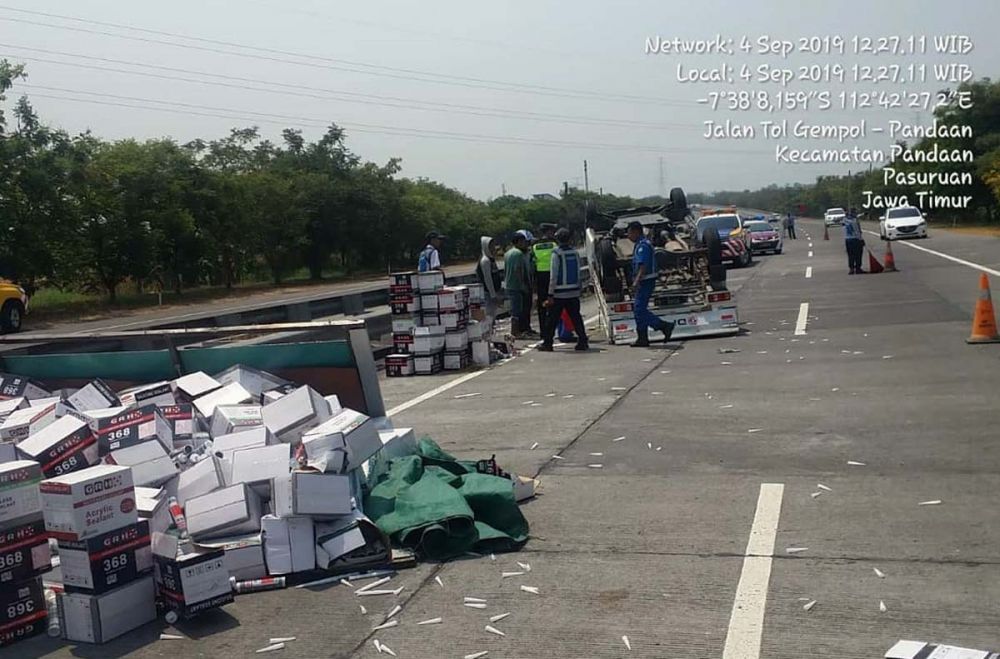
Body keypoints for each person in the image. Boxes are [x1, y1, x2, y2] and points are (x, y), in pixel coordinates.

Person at [539, 228, 588, 352]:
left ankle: (547, 343)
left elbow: (553, 276)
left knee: (552, 320)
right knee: (576, 318)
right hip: (573, 291)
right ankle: (583, 341)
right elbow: (578, 272)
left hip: (559, 293)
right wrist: (579, 288)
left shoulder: (556, 254)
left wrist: (550, 293)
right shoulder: (574, 253)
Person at [627, 221, 674, 348]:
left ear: (636, 232)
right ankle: (643, 338)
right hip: (645, 280)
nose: (628, 236)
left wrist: (636, 282)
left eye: (630, 233)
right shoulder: (641, 244)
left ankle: (664, 326)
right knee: (638, 310)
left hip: (645, 281)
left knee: (639, 310)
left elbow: (643, 266)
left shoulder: (642, 246)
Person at [504, 231, 535, 338]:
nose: (524, 243)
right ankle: (516, 332)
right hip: (517, 286)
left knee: (516, 308)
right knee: (518, 310)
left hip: (509, 284)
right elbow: (518, 270)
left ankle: (521, 330)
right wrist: (523, 285)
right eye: (522, 241)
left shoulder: (507, 253)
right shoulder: (518, 254)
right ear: (517, 242)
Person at [531, 223, 557, 335]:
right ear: (548, 232)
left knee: (542, 306)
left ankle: (543, 331)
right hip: (552, 276)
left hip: (539, 278)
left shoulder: (535, 246)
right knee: (554, 305)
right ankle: (552, 330)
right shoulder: (554, 244)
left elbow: (532, 263)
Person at [477, 236, 503, 331]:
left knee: (493, 314)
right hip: (488, 293)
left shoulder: (491, 259)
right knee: (489, 315)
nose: (493, 248)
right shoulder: (485, 261)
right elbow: (488, 279)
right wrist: (493, 295)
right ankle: (487, 332)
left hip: (493, 292)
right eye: (490, 246)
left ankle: (490, 331)